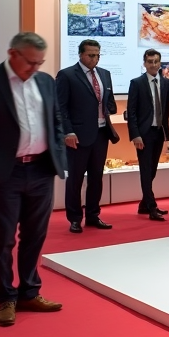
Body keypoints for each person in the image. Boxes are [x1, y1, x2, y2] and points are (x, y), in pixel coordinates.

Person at [0, 32, 67, 326]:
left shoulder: (46, 82)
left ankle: (29, 292)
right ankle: (5, 298)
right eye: (31, 62)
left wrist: (58, 153)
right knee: (3, 239)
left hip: (40, 170)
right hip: (4, 173)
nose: (35, 68)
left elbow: (56, 121)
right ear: (13, 54)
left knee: (35, 235)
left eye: (40, 63)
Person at [56, 39, 119, 233]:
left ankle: (93, 214)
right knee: (75, 179)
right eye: (91, 55)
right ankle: (75, 218)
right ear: (81, 55)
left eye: (98, 55)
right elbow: (60, 107)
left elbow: (108, 100)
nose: (95, 58)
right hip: (78, 135)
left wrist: (109, 108)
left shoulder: (105, 74)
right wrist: (68, 131)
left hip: (101, 133)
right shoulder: (67, 75)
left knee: (96, 177)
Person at [126, 49, 169, 221]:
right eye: (150, 61)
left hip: (158, 132)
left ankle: (144, 204)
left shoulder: (166, 83)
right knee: (145, 170)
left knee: (152, 170)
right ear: (144, 63)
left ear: (160, 63)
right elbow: (131, 112)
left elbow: (165, 110)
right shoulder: (136, 83)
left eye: (156, 61)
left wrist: (167, 133)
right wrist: (135, 135)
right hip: (143, 134)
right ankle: (152, 208)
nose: (153, 65)